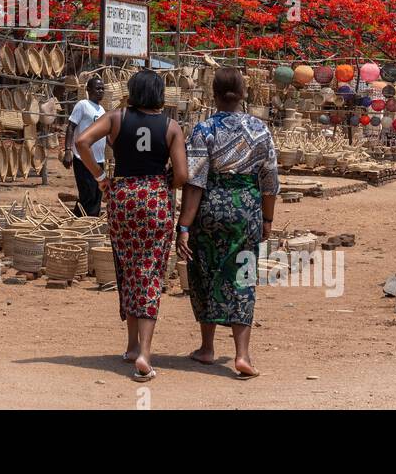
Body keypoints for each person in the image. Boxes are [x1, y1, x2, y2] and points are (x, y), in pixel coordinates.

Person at [75, 69, 188, 382]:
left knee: (127, 267)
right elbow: (181, 175)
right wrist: (163, 179)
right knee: (150, 272)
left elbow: (82, 141)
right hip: (155, 200)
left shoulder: (116, 118)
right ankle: (144, 353)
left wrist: (100, 178)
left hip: (122, 197)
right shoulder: (171, 126)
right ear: (160, 95)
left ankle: (129, 345)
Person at [177, 67, 278, 379]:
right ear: (243, 94)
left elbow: (194, 182)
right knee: (242, 278)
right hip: (246, 210)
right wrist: (267, 219)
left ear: (214, 94)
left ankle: (207, 348)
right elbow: (270, 181)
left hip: (209, 210)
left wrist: (183, 226)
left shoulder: (203, 130)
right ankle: (242, 354)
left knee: (205, 273)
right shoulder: (260, 130)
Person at [62, 76, 106, 217]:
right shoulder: (82, 105)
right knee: (88, 193)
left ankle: (82, 222)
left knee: (97, 193)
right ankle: (85, 225)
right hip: (82, 158)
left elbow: (106, 135)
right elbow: (71, 127)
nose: (101, 91)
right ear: (88, 90)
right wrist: (68, 150)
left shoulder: (102, 110)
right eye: (97, 88)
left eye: (102, 89)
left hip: (99, 159)